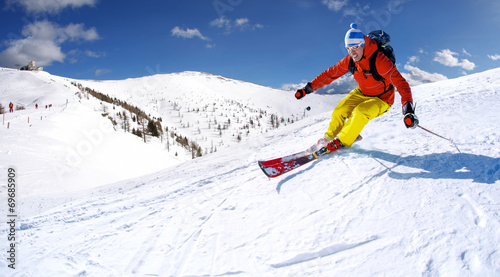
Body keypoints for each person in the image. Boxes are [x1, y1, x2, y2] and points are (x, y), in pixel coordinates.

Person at [295, 23, 418, 153]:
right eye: (348, 48)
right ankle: (328, 139)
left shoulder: (380, 61)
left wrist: (408, 109)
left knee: (360, 111)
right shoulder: (350, 60)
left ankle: (342, 141)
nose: (352, 52)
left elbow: (401, 84)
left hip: (382, 98)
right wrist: (307, 89)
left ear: (363, 44)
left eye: (355, 47)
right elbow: (330, 74)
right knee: (340, 111)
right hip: (363, 92)